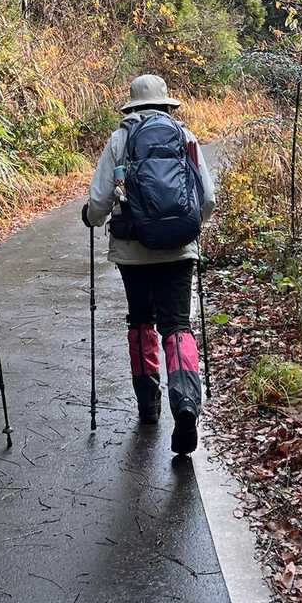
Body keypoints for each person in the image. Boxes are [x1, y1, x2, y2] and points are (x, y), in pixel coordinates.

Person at [84, 73, 215, 455]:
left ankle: (148, 405)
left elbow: (99, 200)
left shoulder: (120, 139)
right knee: (177, 324)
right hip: (179, 248)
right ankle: (186, 402)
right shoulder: (185, 136)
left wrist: (91, 218)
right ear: (165, 104)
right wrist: (187, 227)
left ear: (132, 105)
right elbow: (207, 198)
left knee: (140, 320)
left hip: (133, 249)